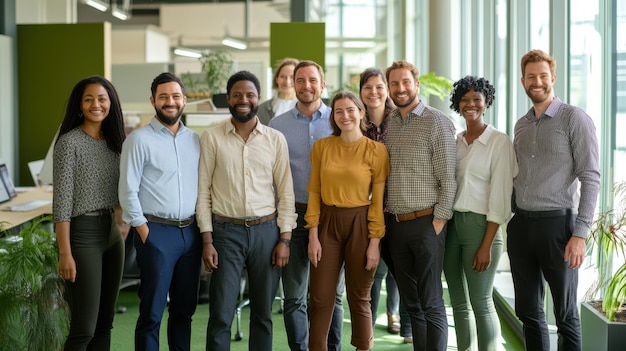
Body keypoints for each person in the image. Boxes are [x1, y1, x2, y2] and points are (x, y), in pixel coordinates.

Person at [197, 70, 297, 351]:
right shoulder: (211, 138)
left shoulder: (275, 139)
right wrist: (207, 239)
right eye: (237, 95)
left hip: (267, 232)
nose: (243, 100)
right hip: (225, 233)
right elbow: (203, 192)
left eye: (249, 95)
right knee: (220, 314)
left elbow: (285, 193)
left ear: (258, 99)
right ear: (228, 98)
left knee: (263, 315)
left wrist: (285, 239)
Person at [508, 49, 600, 351]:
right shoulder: (521, 125)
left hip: (559, 228)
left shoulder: (574, 118)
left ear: (553, 78)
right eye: (531, 77)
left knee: (565, 313)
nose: (537, 82)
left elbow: (590, 176)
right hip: (521, 227)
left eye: (543, 76)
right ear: (523, 81)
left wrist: (580, 234)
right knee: (528, 312)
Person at [119, 72, 202, 351]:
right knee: (152, 313)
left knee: (184, 311)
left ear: (184, 101)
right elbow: (127, 190)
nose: (170, 102)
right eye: (163, 96)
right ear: (153, 100)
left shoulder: (196, 140)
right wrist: (144, 231)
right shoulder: (138, 140)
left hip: (191, 234)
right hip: (156, 233)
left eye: (175, 96)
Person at [269, 60, 346, 351]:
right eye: (299, 80)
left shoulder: (339, 120)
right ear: (292, 84)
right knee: (294, 297)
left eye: (312, 80)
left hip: (331, 216)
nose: (306, 86)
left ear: (322, 84)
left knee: (331, 296)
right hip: (293, 215)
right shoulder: (277, 126)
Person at [306, 90, 390, 351]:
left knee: (359, 297)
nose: (345, 116)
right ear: (333, 117)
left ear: (361, 113)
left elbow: (377, 201)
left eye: (350, 110)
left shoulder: (376, 151)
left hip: (361, 224)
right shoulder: (322, 147)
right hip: (328, 223)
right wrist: (313, 235)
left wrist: (375, 242)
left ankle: (363, 347)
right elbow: (315, 192)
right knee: (320, 297)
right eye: (338, 111)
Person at [384, 60, 457, 351]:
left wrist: (437, 222)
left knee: (432, 303)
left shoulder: (436, 121)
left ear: (417, 84)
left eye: (405, 82)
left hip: (428, 224)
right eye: (394, 83)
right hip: (398, 226)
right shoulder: (391, 123)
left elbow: (448, 179)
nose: (400, 89)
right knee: (412, 304)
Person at [442, 76, 518, 351]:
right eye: (464, 99)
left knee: (481, 302)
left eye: (476, 99)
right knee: (458, 303)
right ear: (457, 104)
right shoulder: (456, 140)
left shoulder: (499, 142)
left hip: (482, 229)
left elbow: (501, 198)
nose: (470, 104)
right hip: (453, 227)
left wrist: (487, 244)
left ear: (486, 103)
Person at [53, 75, 126, 350]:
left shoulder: (116, 143)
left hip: (111, 233)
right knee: (84, 327)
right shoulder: (69, 143)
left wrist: (124, 223)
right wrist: (65, 253)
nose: (96, 104)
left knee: (105, 324)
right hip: (81, 235)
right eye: (89, 99)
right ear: (79, 105)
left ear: (111, 103)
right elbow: (61, 203)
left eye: (102, 98)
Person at [358, 67, 412, 341]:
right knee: (374, 269)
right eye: (368, 87)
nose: (374, 92)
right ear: (361, 92)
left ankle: (405, 323)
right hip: (369, 210)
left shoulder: (399, 121)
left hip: (399, 207)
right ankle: (368, 330)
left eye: (380, 86)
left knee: (400, 270)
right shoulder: (358, 125)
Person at [257, 57, 299, 125]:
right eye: (282, 76)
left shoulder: (307, 109)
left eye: (292, 77)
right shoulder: (261, 109)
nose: (287, 81)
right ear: (276, 79)